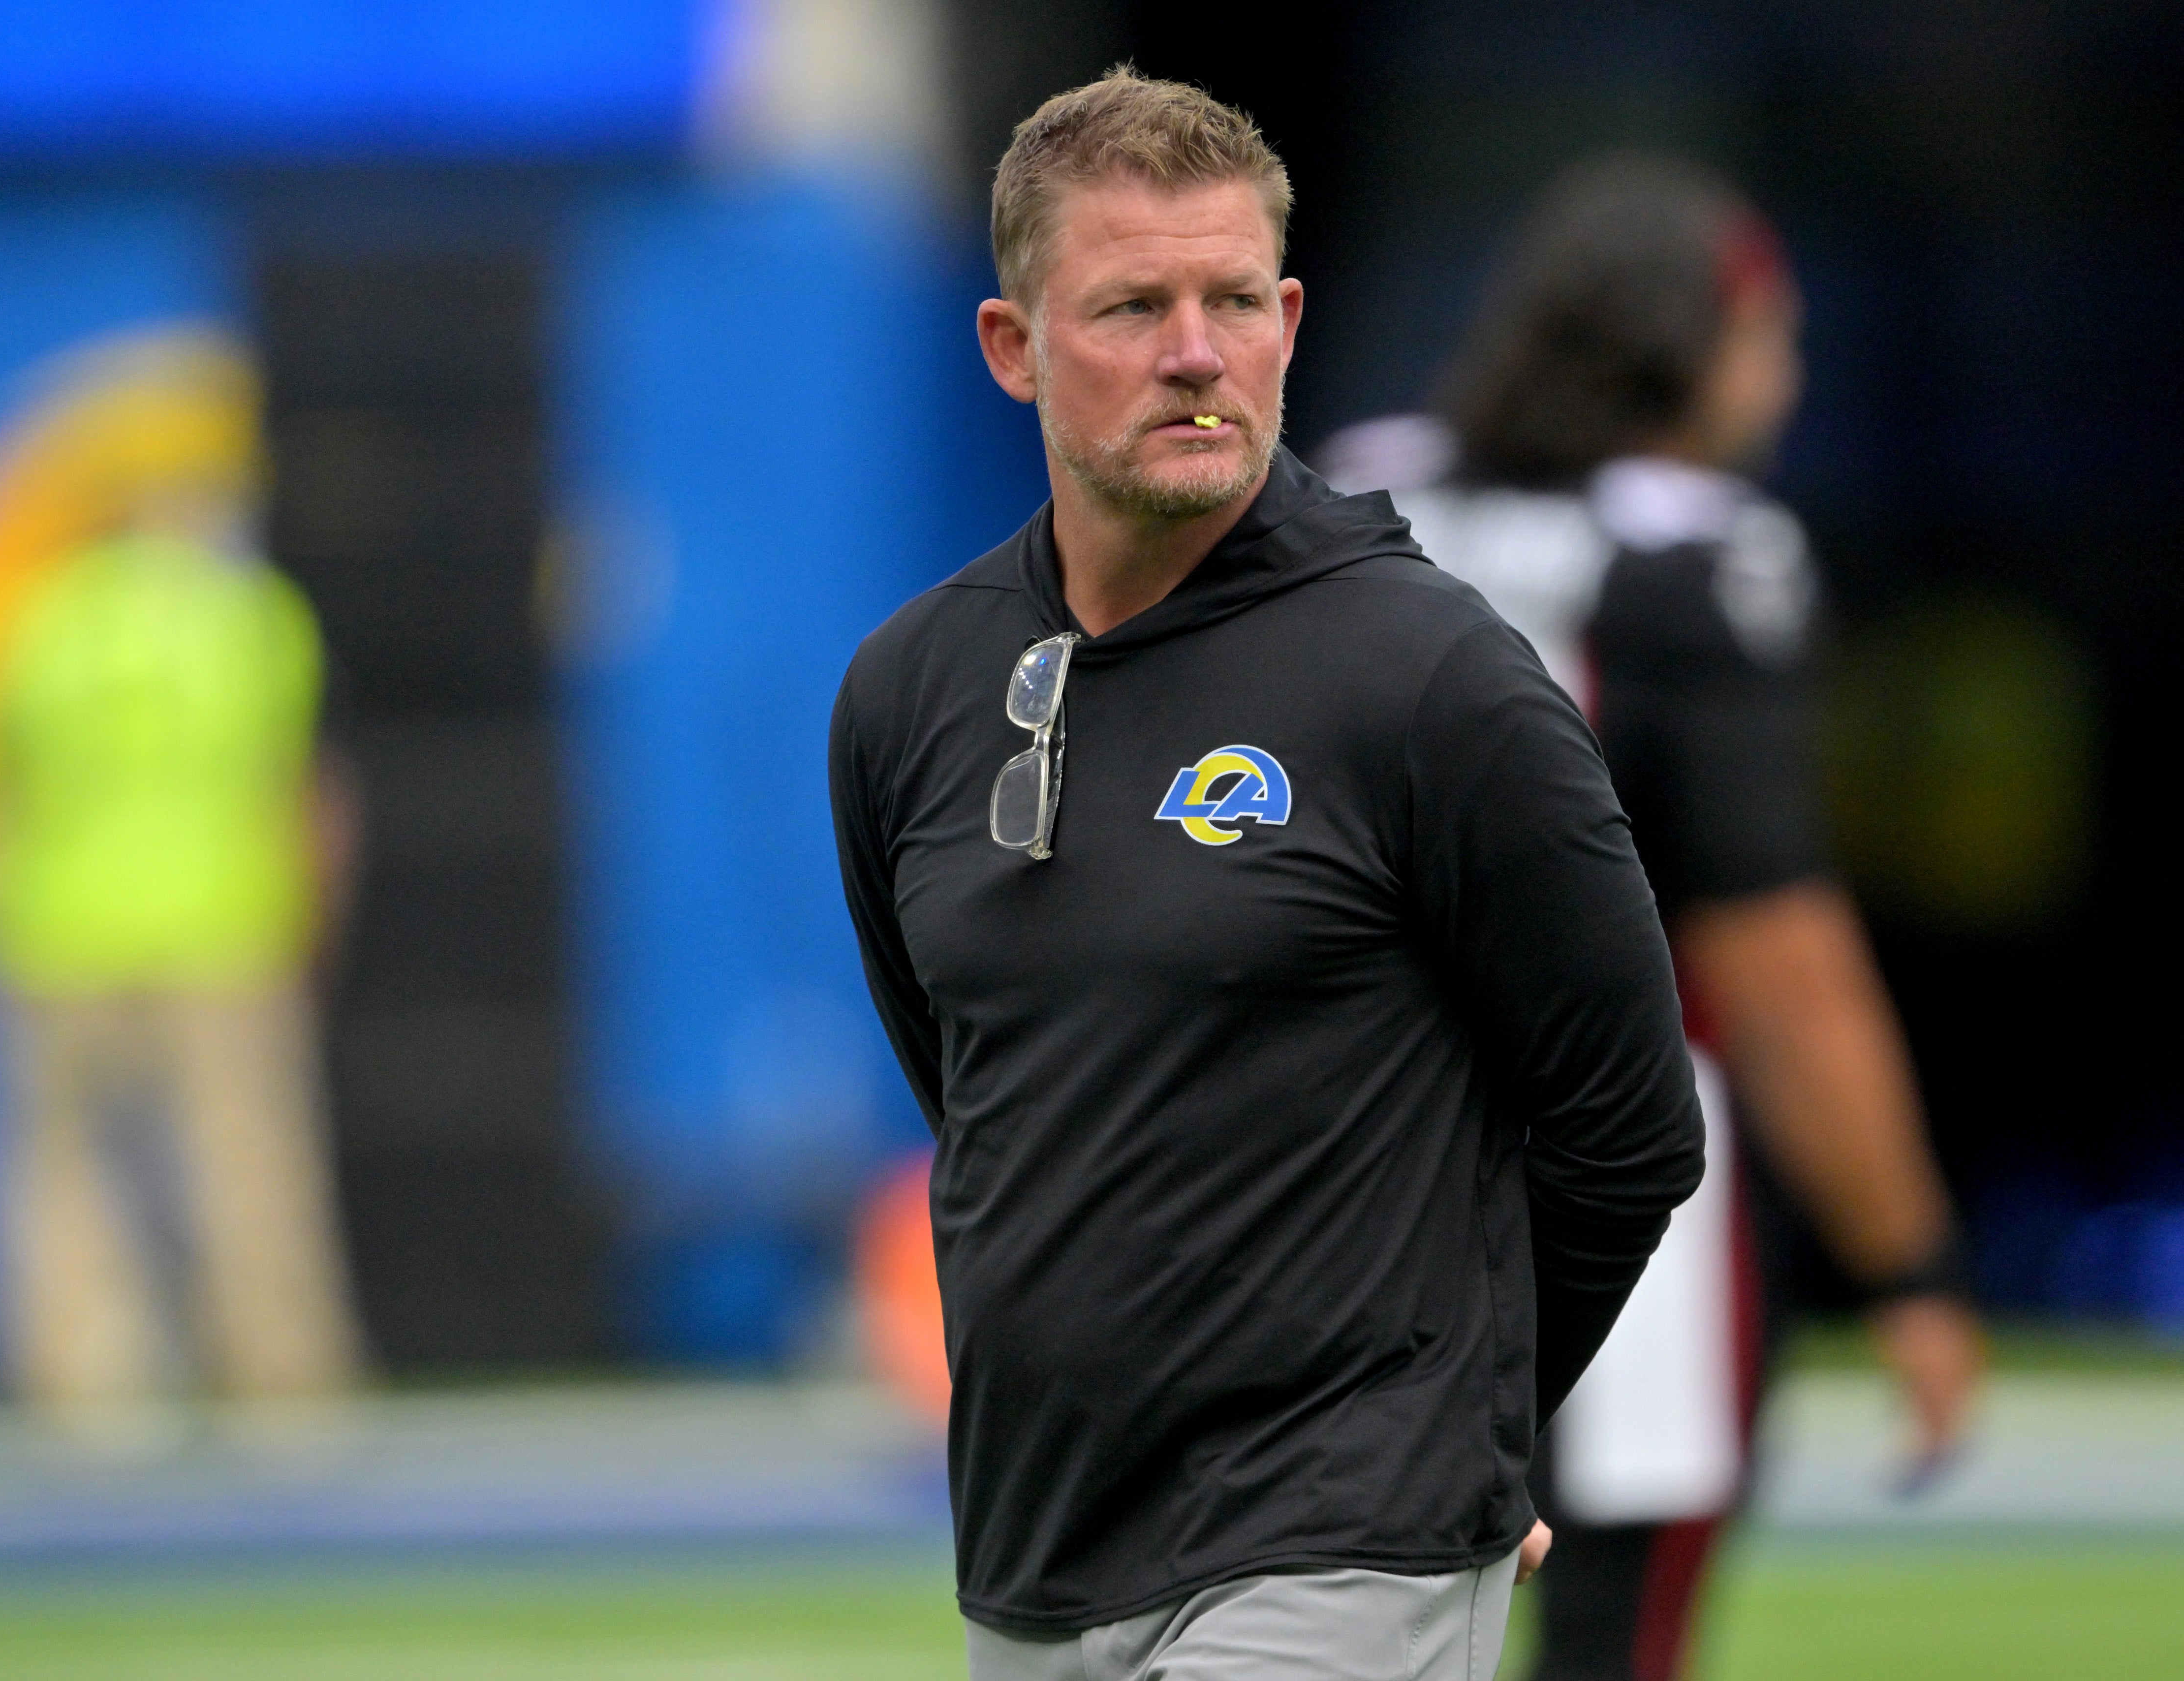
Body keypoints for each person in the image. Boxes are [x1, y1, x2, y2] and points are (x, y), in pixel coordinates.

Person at [829, 71, 1706, 1681]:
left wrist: (1477, 1422)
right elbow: (985, 1095)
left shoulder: (1433, 679)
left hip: (1342, 1536)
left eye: (1233, 299)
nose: (1194, 350)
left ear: (1289, 321)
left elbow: (1632, 1123)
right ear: (1012, 347)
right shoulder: (908, 693)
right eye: (1132, 305)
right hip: (1037, 1549)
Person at [1320, 155, 1986, 1681]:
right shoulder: (1699, 556)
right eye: (1771, 332)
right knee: (1617, 1629)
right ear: (1690, 345)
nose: (1790, 370)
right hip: (1623, 1168)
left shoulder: (1357, 491)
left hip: (1344, 1151)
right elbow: (1786, 963)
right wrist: (1913, 1269)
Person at [0, 495, 363, 1416]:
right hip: (221, 926)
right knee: (249, 1161)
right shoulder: (247, 617)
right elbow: (307, 793)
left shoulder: (37, 626)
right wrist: (314, 927)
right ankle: (284, 1381)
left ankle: (88, 1387)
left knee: (61, 1175)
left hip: (58, 934)